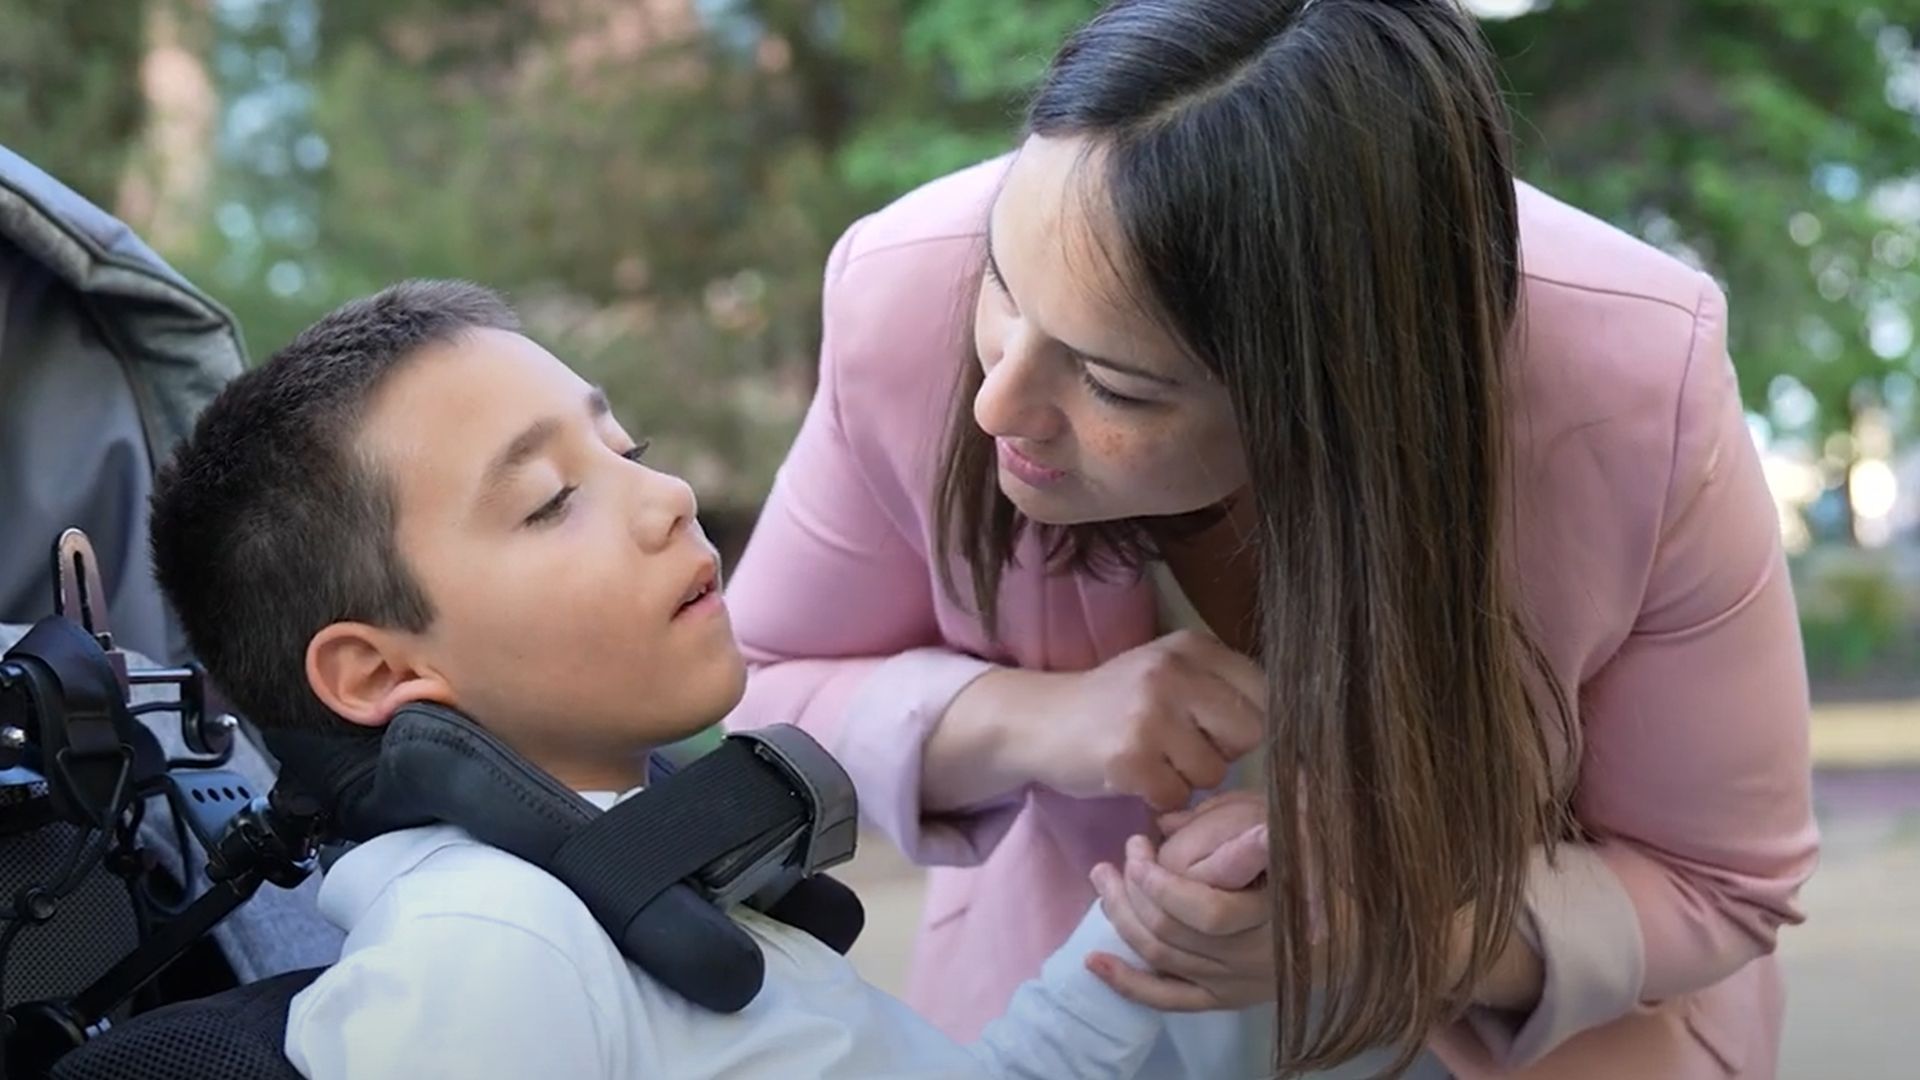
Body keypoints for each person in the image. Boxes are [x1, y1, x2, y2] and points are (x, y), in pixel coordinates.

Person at [723, 0, 1821, 1076]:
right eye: (1003, 287)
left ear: (1338, 395)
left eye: (1114, 383)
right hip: (1062, 1023)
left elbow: (1716, 882)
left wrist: (1384, 938)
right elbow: (756, 689)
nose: (996, 407)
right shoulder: (904, 283)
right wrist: (1032, 722)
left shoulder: (1634, 384)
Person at [145, 280, 1267, 1080]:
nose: (668, 494)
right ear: (380, 670)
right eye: (548, 500)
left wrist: (1136, 933)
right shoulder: (492, 945)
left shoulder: (627, 893)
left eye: (622, 450)